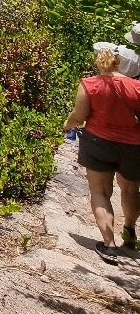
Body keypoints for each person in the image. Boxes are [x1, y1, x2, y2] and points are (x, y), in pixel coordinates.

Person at [63, 46, 140, 260]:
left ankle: (109, 245)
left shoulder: (89, 84)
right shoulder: (136, 86)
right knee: (131, 189)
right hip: (133, 146)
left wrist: (67, 125)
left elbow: (79, 117)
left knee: (100, 191)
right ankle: (130, 231)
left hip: (98, 142)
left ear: (98, 61)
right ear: (119, 62)